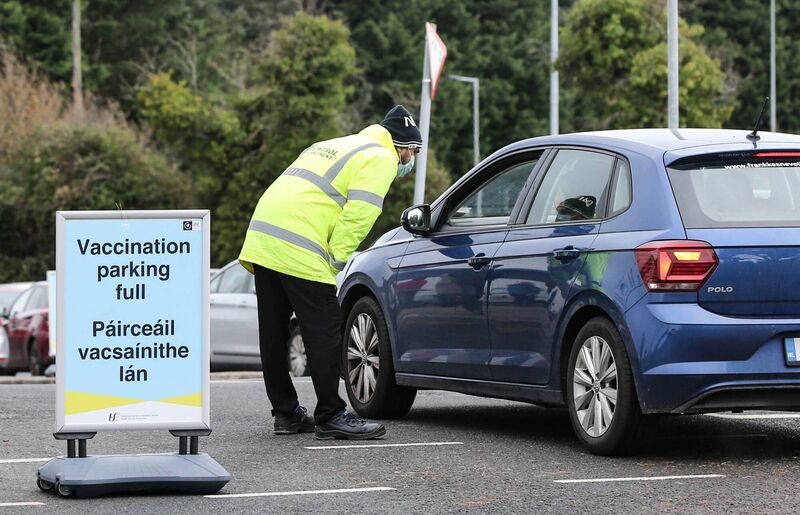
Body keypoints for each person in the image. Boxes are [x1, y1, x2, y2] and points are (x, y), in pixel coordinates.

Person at [239, 105, 421, 440]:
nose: (411, 161)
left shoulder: (334, 144)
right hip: (300, 242)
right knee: (325, 329)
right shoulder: (381, 157)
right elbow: (359, 215)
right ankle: (331, 414)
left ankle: (286, 413)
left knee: (274, 333)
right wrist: (335, 259)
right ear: (404, 147)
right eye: (414, 153)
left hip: (264, 236)